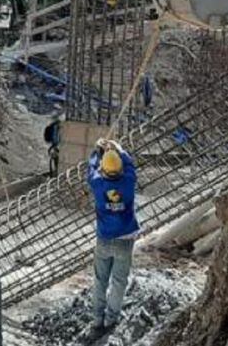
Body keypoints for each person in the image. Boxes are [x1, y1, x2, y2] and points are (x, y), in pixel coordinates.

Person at [86, 138, 139, 331]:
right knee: (118, 281)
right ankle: (111, 319)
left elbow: (90, 167)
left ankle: (97, 319)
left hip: (104, 239)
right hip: (125, 239)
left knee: (100, 280)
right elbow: (130, 164)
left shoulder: (97, 183)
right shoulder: (128, 181)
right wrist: (119, 149)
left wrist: (97, 151)